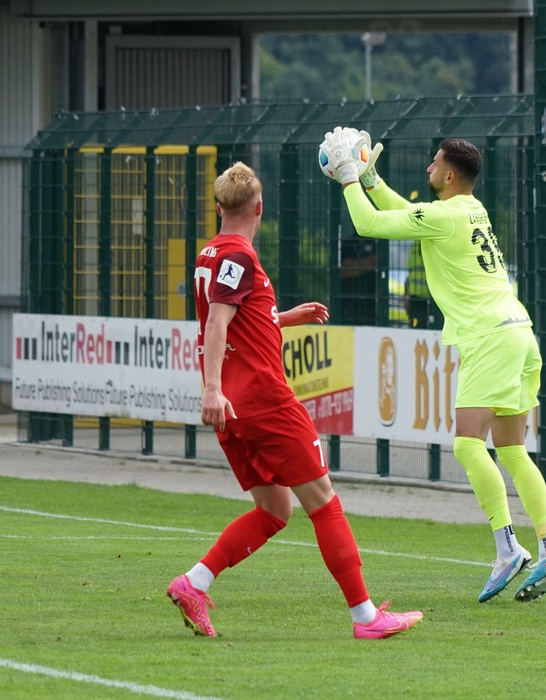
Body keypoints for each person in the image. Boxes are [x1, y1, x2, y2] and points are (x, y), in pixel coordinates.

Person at [167, 162, 422, 639]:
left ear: (219, 208)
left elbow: (237, 319)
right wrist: (211, 388)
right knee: (324, 502)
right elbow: (218, 325)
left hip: (237, 408)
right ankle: (366, 617)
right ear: (260, 208)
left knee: (274, 510)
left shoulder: (210, 254)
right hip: (263, 399)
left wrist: (283, 317)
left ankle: (193, 583)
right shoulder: (239, 256)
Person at [319, 127, 546, 603]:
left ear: (449, 174)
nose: (428, 168)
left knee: (467, 444)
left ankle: (507, 547)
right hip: (519, 331)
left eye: (434, 163)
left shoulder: (446, 215)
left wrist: (350, 178)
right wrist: (371, 180)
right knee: (513, 451)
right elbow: (405, 212)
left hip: (489, 338)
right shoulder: (469, 208)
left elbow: (370, 227)